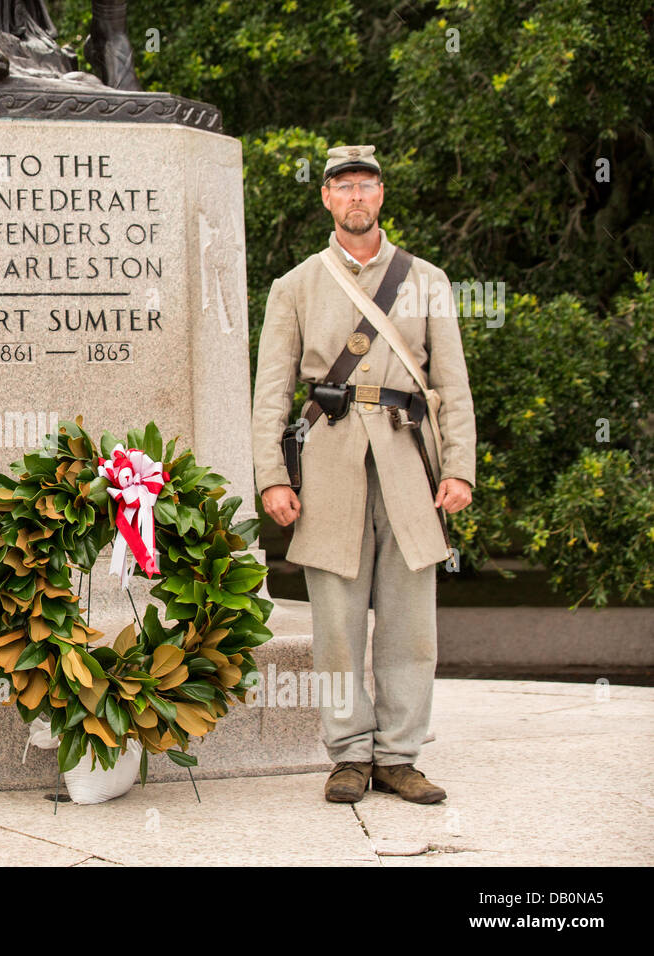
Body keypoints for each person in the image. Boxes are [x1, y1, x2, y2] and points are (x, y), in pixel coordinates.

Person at [250, 145, 477, 805]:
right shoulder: (295, 285)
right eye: (342, 187)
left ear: (381, 195)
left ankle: (400, 756)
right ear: (326, 197)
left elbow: (452, 385)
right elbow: (272, 391)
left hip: (409, 460)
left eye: (365, 186)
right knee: (337, 625)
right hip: (330, 461)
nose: (355, 197)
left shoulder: (425, 279)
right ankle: (348, 755)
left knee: (411, 623)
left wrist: (459, 466)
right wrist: (273, 475)